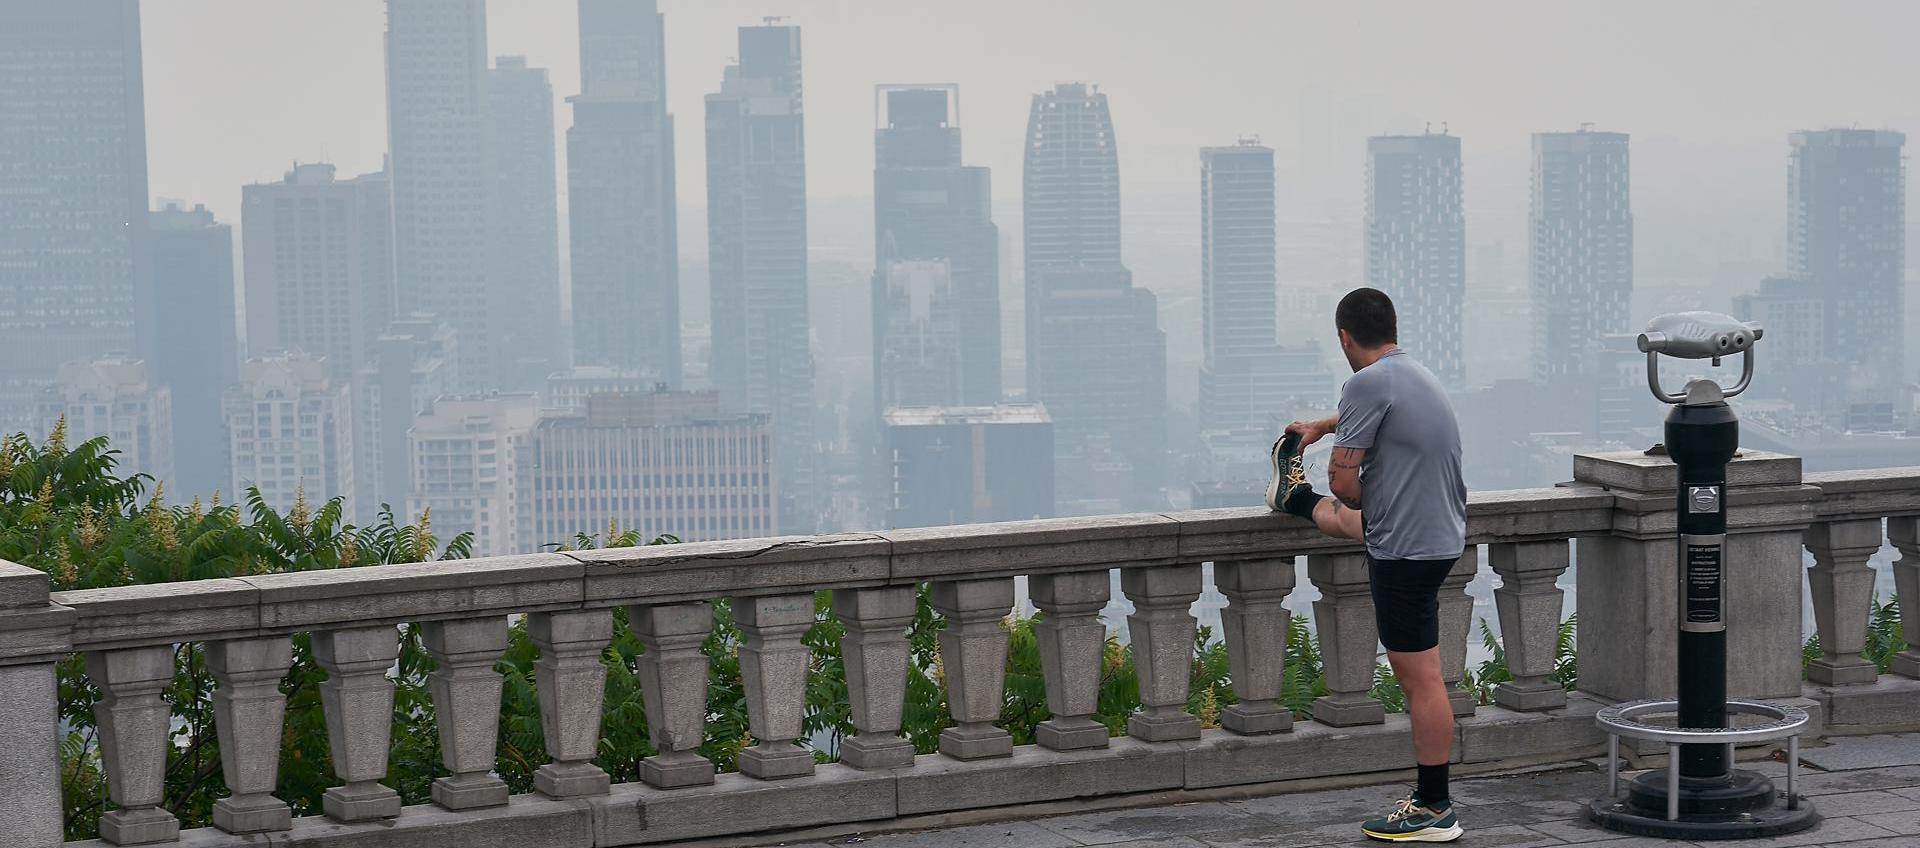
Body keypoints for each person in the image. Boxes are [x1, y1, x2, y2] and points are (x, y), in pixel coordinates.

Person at [1268, 287, 1468, 843]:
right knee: (1350, 521)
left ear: (1344, 337)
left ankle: (1434, 808)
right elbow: (1380, 415)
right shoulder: (1412, 374)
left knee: (1420, 679)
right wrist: (1325, 425)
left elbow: (1344, 482)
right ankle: (1292, 498)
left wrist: (1355, 484)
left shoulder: (1366, 382)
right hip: (1439, 531)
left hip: (1406, 549)